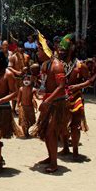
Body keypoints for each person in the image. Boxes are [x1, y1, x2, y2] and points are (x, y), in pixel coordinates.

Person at [29, 40, 69, 173]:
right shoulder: (45, 65)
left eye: (39, 50)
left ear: (46, 51)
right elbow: (46, 84)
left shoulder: (57, 65)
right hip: (49, 100)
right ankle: (51, 157)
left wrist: (47, 101)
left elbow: (61, 86)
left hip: (57, 102)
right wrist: (39, 89)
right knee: (46, 132)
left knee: (50, 132)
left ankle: (54, 163)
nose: (37, 52)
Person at [56, 34, 92, 160]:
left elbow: (89, 81)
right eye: (59, 50)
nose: (60, 52)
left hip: (75, 97)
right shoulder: (57, 65)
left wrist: (77, 86)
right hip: (61, 97)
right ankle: (65, 148)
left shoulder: (80, 65)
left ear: (71, 49)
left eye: (63, 51)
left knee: (75, 125)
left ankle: (75, 151)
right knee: (61, 124)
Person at [8, 42, 29, 114]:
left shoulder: (27, 56)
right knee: (15, 94)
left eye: (22, 47)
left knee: (24, 93)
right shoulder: (13, 57)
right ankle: (13, 109)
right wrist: (17, 72)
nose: (21, 49)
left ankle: (21, 108)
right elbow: (9, 67)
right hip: (15, 78)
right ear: (16, 48)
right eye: (19, 47)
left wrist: (27, 70)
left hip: (24, 78)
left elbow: (29, 67)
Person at [17, 73, 35, 138]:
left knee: (30, 121)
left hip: (30, 107)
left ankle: (26, 131)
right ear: (22, 81)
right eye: (25, 79)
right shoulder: (21, 89)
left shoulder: (33, 89)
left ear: (30, 81)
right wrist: (17, 105)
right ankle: (25, 132)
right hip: (23, 107)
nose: (26, 81)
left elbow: (36, 97)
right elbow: (19, 98)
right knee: (23, 122)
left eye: (28, 79)